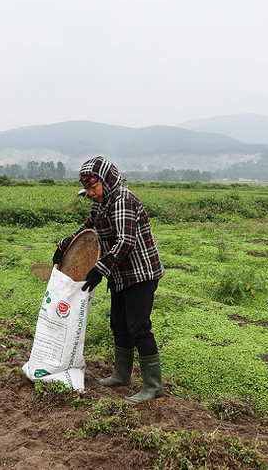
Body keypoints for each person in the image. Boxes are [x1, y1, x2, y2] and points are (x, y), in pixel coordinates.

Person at [53, 156, 165, 403]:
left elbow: (126, 242)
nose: (91, 193)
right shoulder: (100, 204)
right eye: (87, 188)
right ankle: (122, 375)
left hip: (140, 273)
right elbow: (88, 229)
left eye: (94, 187)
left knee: (139, 327)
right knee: (119, 325)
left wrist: (99, 269)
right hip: (120, 274)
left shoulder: (123, 200)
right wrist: (64, 245)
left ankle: (153, 387)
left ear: (108, 180)